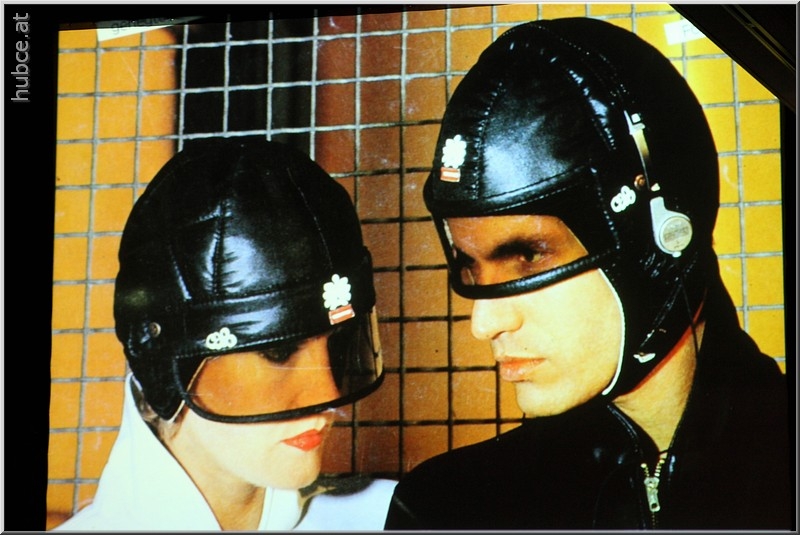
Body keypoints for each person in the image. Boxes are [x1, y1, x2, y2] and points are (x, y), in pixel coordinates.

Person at [384, 17, 792, 530]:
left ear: (659, 238)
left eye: (528, 256)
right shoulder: (447, 509)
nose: (485, 324)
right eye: (470, 264)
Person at [54, 138, 396, 531]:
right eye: (278, 351)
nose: (328, 396)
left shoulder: (394, 519)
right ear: (165, 366)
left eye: (337, 344)